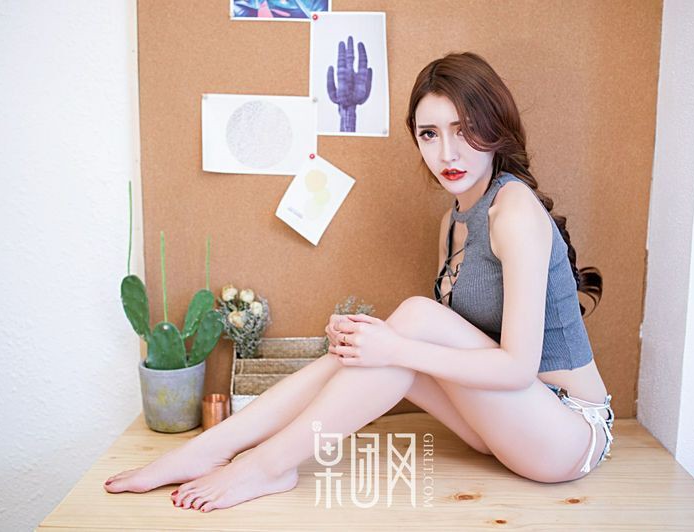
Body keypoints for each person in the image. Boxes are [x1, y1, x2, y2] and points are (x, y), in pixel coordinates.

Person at [103, 51, 612, 513]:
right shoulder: (452, 222)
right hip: (501, 427)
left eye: (464, 130)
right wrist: (368, 341)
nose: (447, 153)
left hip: (567, 434)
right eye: (429, 134)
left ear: (495, 127)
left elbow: (517, 369)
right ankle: (211, 448)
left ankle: (265, 465)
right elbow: (442, 346)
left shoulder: (513, 209)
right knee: (373, 343)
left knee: (408, 323)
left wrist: (394, 345)